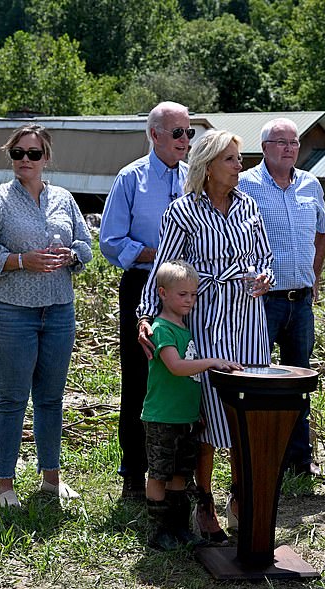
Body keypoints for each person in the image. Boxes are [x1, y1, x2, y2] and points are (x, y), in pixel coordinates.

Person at [137, 129, 273, 542]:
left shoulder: (249, 205)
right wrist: (147, 314)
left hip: (248, 319)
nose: (239, 166)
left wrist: (265, 276)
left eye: (239, 159)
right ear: (208, 165)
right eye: (231, 159)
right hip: (207, 318)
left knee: (247, 413)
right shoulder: (183, 211)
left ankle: (240, 496)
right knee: (211, 415)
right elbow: (165, 265)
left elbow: (264, 254)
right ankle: (205, 502)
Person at [0, 124, 93, 508]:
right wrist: (21, 260)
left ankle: (50, 478)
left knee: (51, 398)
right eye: (18, 153)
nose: (25, 160)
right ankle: (5, 484)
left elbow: (86, 244)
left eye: (33, 154)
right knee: (13, 397)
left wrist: (71, 255)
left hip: (57, 309)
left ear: (46, 159)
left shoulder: (64, 199)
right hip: (8, 312)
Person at [100, 102, 193, 500]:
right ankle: (134, 474)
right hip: (143, 286)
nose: (185, 141)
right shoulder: (130, 178)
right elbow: (110, 240)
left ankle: (178, 473)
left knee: (185, 378)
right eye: (177, 133)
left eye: (189, 133)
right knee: (140, 380)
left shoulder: (195, 177)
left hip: (189, 294)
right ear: (154, 135)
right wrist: (158, 255)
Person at [238, 117, 325, 479]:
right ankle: (264, 455)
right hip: (261, 300)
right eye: (280, 142)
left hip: (300, 299)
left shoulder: (310, 184)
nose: (289, 148)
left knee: (299, 379)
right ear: (264, 148)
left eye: (293, 142)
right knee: (258, 379)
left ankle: (300, 459)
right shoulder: (246, 184)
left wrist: (316, 274)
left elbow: (322, 231)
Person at [141, 260, 242, 550]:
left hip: (184, 417)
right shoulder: (161, 328)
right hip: (162, 417)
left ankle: (179, 527)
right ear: (162, 293)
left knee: (181, 474)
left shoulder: (185, 327)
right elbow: (175, 366)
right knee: (159, 473)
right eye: (182, 294)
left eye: (193, 294)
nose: (189, 300)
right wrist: (212, 362)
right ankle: (158, 530)